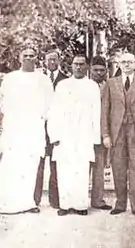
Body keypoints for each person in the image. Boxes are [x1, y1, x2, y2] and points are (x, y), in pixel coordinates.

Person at [0, 47, 53, 214]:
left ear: (36, 58)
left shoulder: (43, 79)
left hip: (33, 128)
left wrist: (39, 118)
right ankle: (7, 203)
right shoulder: (10, 78)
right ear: (19, 58)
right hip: (14, 128)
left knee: (30, 165)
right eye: (25, 56)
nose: (29, 58)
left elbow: (50, 105)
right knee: (12, 164)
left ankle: (28, 203)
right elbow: (4, 102)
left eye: (32, 55)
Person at [101, 52, 135, 217]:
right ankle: (120, 203)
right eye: (123, 62)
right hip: (117, 132)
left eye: (130, 62)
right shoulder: (110, 83)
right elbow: (104, 111)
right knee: (118, 167)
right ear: (119, 64)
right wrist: (105, 135)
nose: (126, 65)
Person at [48, 54, 101, 216]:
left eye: (82, 64)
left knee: (81, 170)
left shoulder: (92, 86)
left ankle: (80, 205)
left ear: (86, 66)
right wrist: (55, 135)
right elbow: (54, 111)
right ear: (71, 66)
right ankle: (64, 205)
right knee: (64, 170)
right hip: (65, 135)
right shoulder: (62, 85)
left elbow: (96, 113)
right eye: (76, 64)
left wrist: (95, 138)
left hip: (84, 134)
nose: (78, 67)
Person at [34, 50, 68, 209]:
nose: (52, 62)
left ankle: (55, 200)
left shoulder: (66, 80)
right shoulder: (38, 80)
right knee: (38, 164)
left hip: (58, 128)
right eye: (49, 60)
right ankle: (35, 199)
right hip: (40, 127)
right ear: (44, 61)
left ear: (59, 60)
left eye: (55, 59)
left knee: (56, 165)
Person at [89, 56, 112, 211]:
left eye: (101, 70)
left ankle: (97, 200)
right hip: (84, 132)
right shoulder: (84, 85)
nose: (98, 73)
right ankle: (79, 199)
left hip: (102, 133)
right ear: (90, 70)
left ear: (106, 71)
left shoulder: (109, 86)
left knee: (99, 167)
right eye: (95, 70)